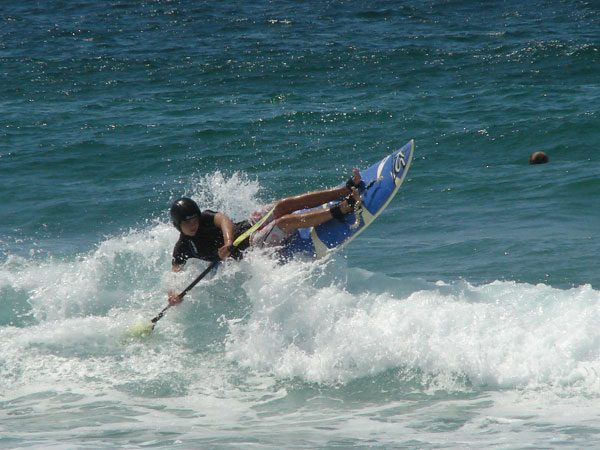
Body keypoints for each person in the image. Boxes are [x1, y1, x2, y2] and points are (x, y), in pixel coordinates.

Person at [167, 169, 363, 305]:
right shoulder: (183, 248)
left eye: (194, 219)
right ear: (178, 226)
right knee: (283, 222)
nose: (193, 224)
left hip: (249, 226)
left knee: (282, 205)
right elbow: (174, 274)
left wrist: (227, 244)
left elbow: (225, 221)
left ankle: (343, 190)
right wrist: (173, 295)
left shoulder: (206, 218)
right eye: (186, 222)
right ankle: (341, 209)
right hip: (253, 247)